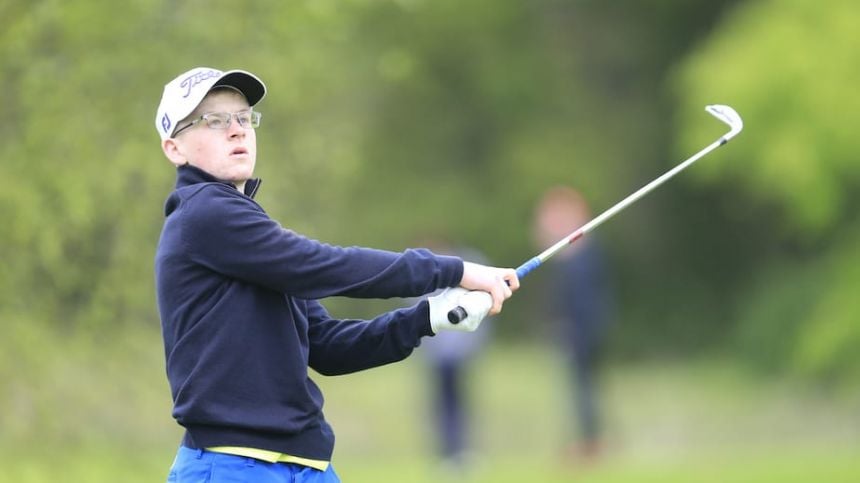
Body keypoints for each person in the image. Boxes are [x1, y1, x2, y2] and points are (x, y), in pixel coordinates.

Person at [153, 67, 519, 483]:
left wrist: (429, 317)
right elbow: (323, 265)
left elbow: (327, 347)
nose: (236, 131)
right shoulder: (203, 213)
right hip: (233, 465)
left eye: (243, 117)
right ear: (174, 148)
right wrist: (452, 270)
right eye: (214, 121)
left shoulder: (246, 232)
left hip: (306, 464)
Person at [533, 186, 614, 463]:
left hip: (584, 330)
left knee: (584, 389)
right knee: (581, 389)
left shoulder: (580, 254)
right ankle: (588, 441)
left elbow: (582, 299)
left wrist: (572, 329)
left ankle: (592, 444)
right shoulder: (574, 254)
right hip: (580, 329)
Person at [415, 238, 493, 474]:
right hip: (437, 359)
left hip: (460, 358)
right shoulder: (427, 275)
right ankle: (447, 453)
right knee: (441, 406)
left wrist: (470, 349)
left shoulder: (471, 266)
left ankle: (460, 452)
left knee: (459, 405)